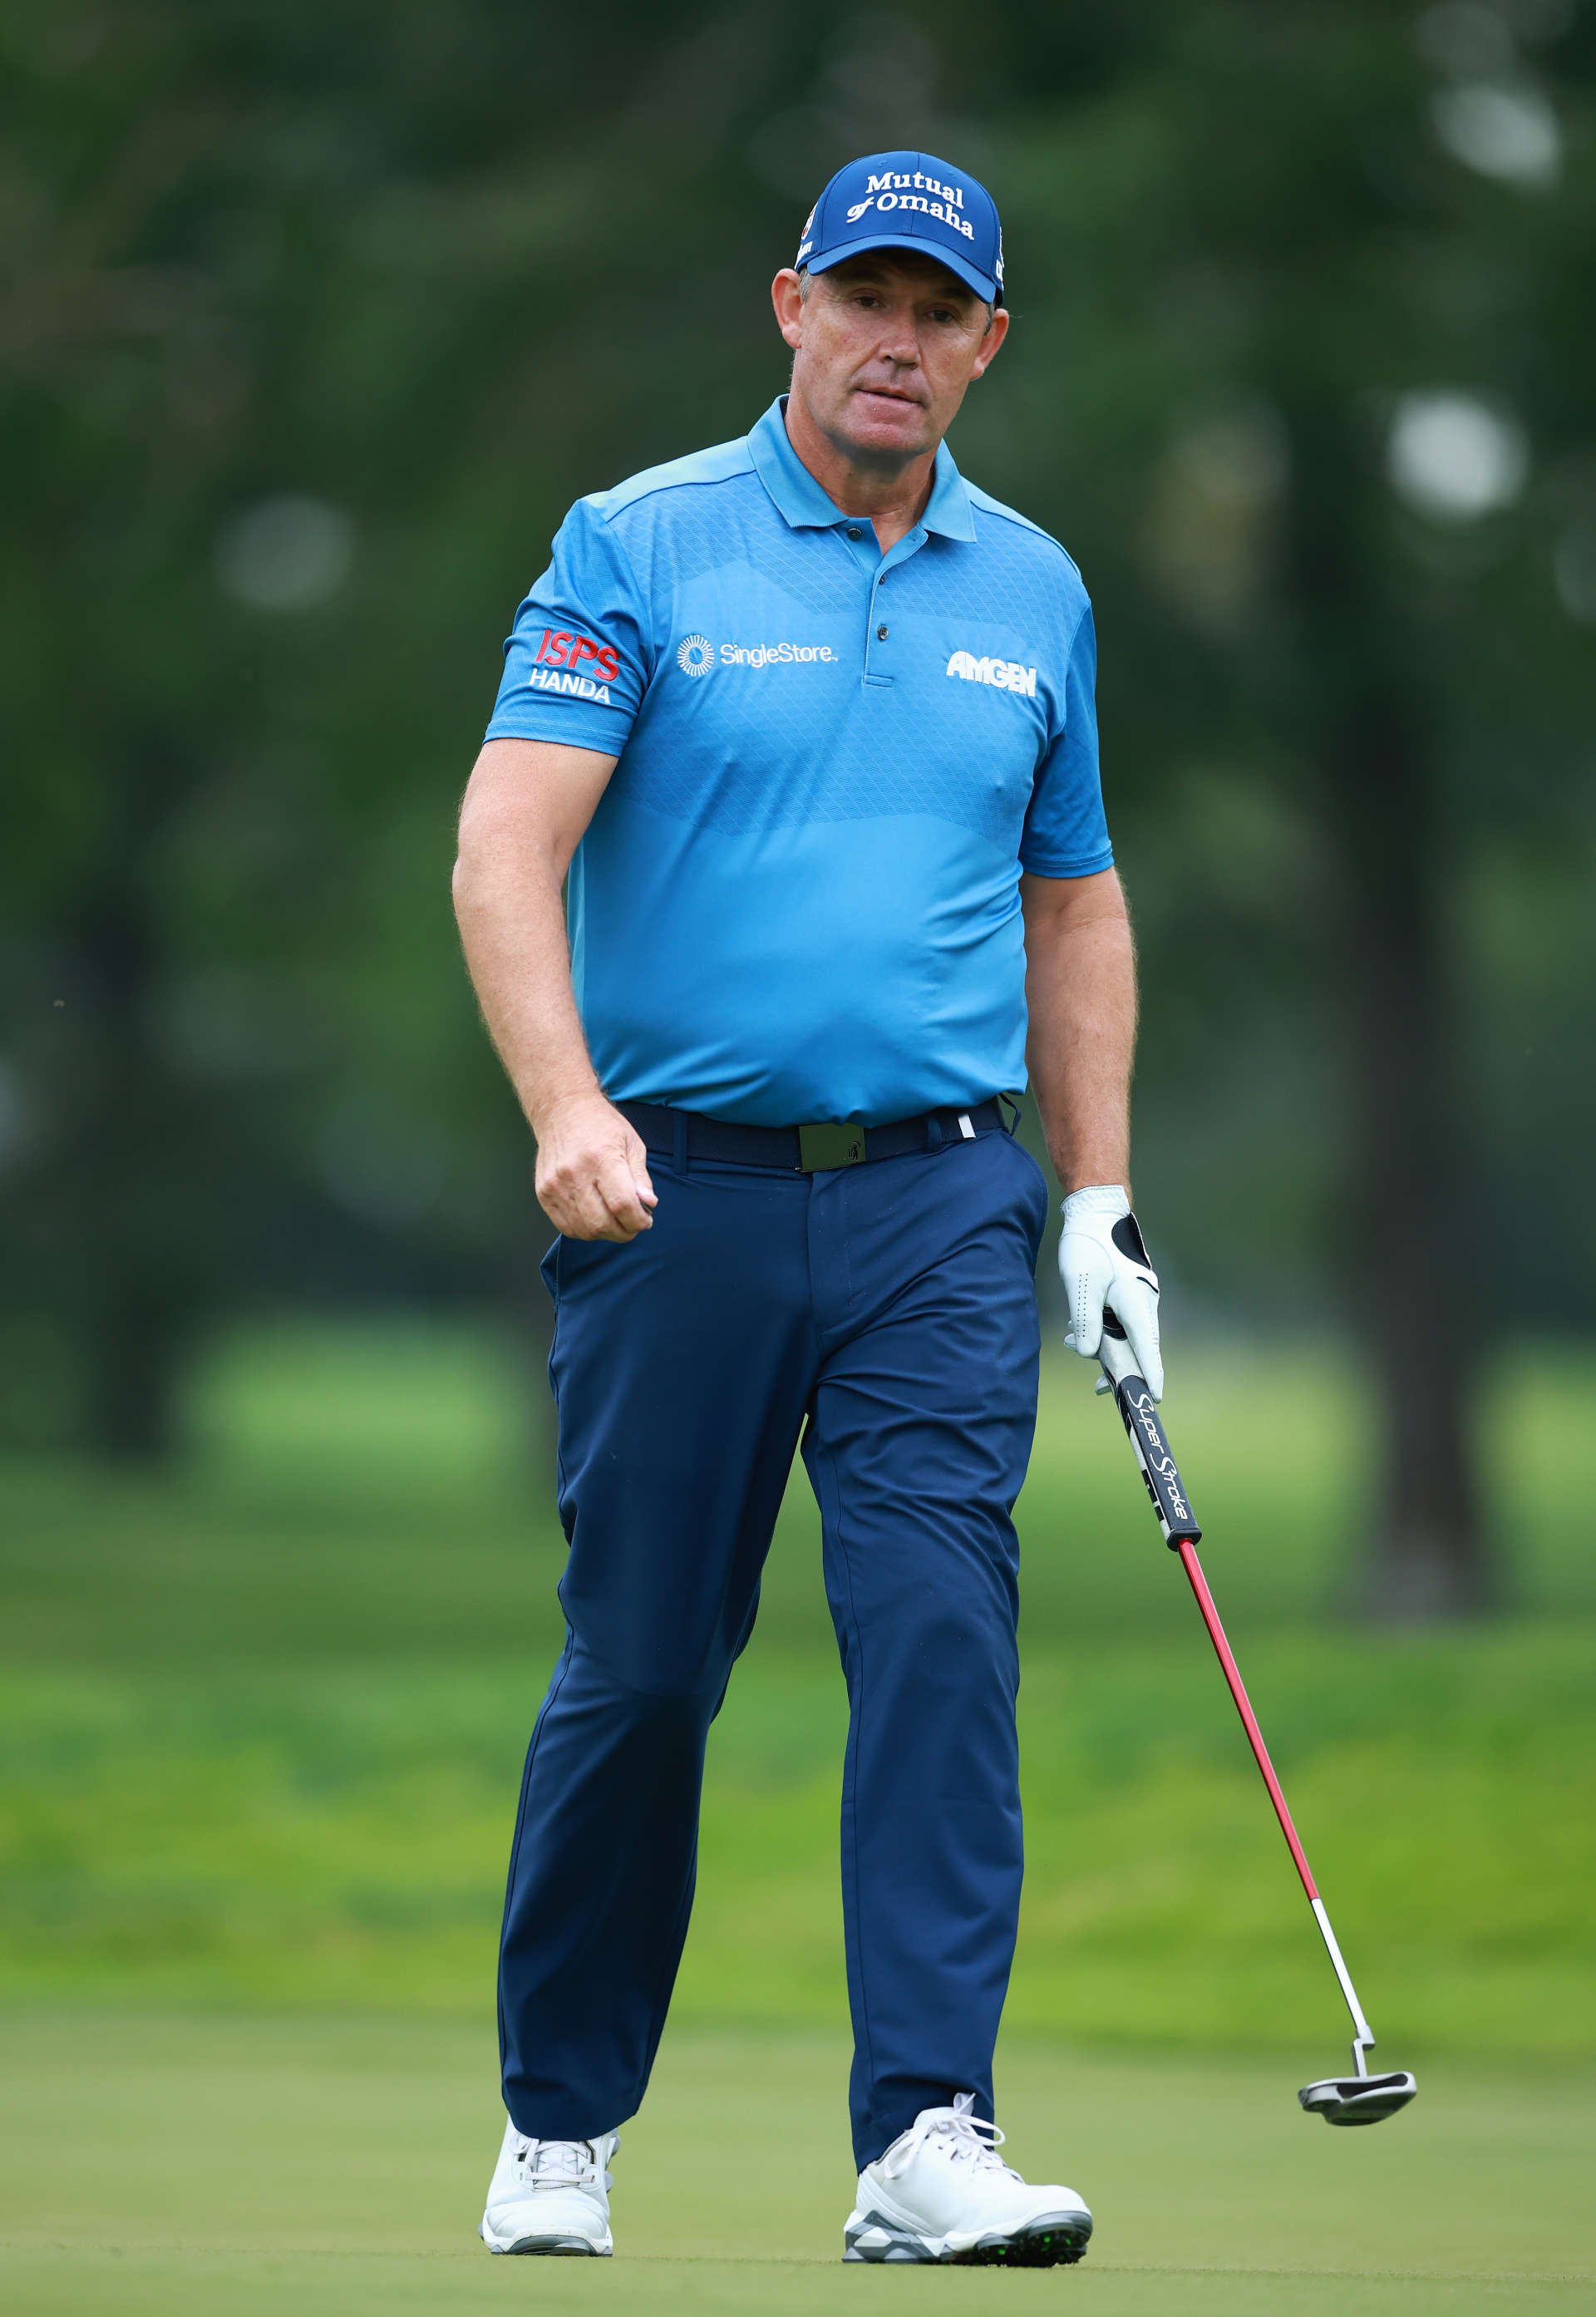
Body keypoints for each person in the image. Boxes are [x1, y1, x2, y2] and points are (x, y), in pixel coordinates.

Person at [451, 147, 1162, 2268]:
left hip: (942, 1199)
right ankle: (559, 2117)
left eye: (941, 314)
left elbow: (1077, 894)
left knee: (942, 1630)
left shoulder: (1034, 590)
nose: (899, 341)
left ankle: (928, 2123)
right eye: (866, 299)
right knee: (647, 1663)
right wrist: (565, 1101)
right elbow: (506, 851)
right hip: (674, 1192)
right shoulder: (635, 544)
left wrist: (1101, 1199)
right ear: (789, 307)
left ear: (986, 347)